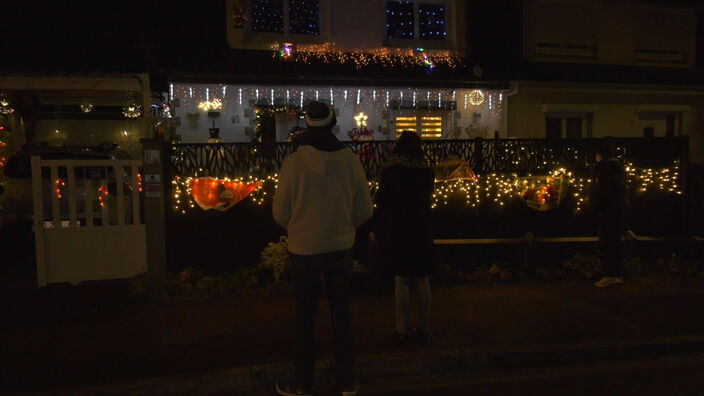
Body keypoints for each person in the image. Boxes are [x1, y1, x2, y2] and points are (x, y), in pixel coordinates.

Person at [273, 101, 373, 396]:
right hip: (340, 246)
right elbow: (364, 210)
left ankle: (303, 383)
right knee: (341, 314)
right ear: (332, 125)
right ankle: (347, 380)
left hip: (303, 248)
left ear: (307, 125)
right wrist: (343, 225)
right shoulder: (350, 160)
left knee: (304, 316)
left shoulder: (293, 162)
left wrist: (300, 226)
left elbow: (280, 213)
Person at [374, 131, 436, 344]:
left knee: (401, 281)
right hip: (421, 227)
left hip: (399, 228)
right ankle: (424, 328)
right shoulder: (427, 172)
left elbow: (382, 201)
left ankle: (401, 329)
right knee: (421, 279)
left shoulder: (391, 172)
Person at [590, 138, 631, 288]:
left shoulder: (603, 168)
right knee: (615, 242)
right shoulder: (618, 167)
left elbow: (602, 191)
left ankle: (610, 274)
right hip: (621, 209)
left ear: (600, 154)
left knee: (608, 242)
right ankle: (617, 274)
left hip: (609, 211)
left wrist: (597, 207)